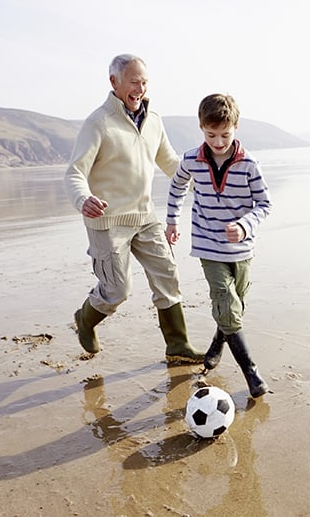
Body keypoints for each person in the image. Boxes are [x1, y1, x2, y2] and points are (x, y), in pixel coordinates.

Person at [64, 53, 204, 364]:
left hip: (145, 216)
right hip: (107, 221)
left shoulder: (154, 120)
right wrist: (83, 198)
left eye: (144, 82)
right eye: (133, 82)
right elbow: (75, 172)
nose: (139, 88)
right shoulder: (98, 122)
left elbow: (170, 162)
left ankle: (178, 344)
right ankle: (85, 319)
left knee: (167, 275)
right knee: (117, 290)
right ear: (114, 82)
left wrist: (205, 185)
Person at [165, 93, 272, 398]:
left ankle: (216, 344)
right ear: (201, 128)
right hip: (208, 245)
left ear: (235, 127)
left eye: (225, 134)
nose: (219, 141)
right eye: (211, 135)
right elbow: (176, 187)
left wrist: (243, 225)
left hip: (242, 248)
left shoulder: (249, 164)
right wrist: (172, 220)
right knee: (225, 301)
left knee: (235, 306)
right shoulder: (191, 160)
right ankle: (251, 372)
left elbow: (264, 203)